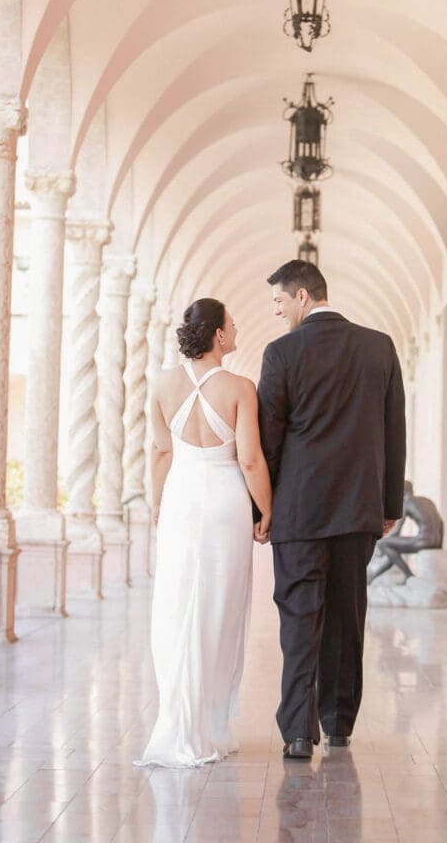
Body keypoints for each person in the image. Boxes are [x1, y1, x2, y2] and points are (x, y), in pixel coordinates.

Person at [257, 260, 406, 759]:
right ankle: (339, 724)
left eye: (280, 302)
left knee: (300, 618)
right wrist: (388, 505)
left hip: (298, 513)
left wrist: (264, 507)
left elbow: (269, 441)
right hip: (356, 509)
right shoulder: (378, 347)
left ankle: (299, 732)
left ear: (302, 297)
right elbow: (393, 433)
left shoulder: (280, 354)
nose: (278, 313)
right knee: (346, 615)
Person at [134, 298, 272, 768]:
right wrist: (267, 510)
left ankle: (180, 720)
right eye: (232, 325)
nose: (237, 331)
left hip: (180, 497)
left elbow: (159, 451)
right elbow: (251, 460)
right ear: (217, 335)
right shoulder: (239, 388)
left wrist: (158, 503)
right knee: (219, 608)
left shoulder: (161, 385)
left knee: (176, 605)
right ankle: (209, 726)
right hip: (225, 502)